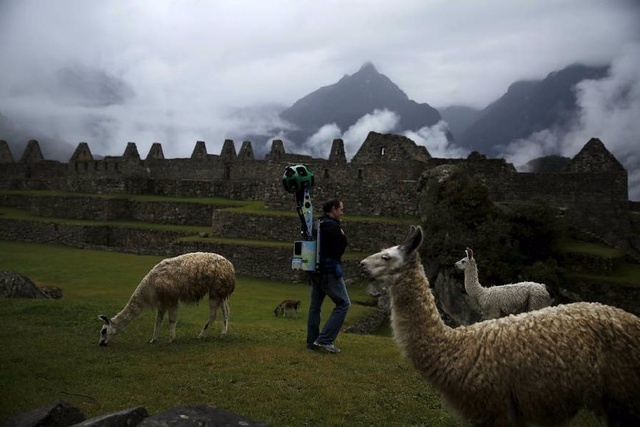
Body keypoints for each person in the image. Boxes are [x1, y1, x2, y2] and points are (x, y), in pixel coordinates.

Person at [306, 199, 350, 353]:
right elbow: (341, 245)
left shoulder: (317, 223)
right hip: (329, 271)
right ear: (333, 209)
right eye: (341, 209)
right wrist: (342, 234)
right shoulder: (332, 226)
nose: (342, 212)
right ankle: (324, 340)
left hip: (315, 271)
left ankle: (312, 341)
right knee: (344, 304)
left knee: (315, 307)